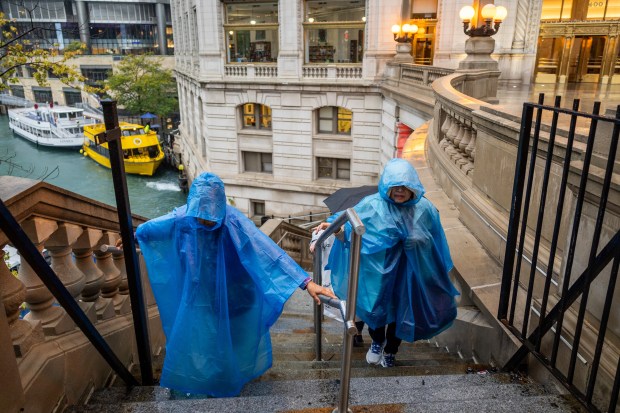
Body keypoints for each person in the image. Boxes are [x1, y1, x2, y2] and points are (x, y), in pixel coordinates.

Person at [136, 172, 335, 397]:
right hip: (207, 296)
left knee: (237, 339)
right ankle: (217, 377)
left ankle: (233, 376)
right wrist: (134, 235)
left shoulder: (234, 222)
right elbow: (154, 228)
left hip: (239, 295)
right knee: (211, 338)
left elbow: (269, 253)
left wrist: (306, 282)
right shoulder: (184, 218)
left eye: (210, 218)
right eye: (201, 217)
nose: (205, 222)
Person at [313, 158, 458, 368]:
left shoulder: (425, 209)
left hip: (410, 273)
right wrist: (334, 225)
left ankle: (391, 350)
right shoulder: (373, 205)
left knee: (402, 312)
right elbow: (351, 220)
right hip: (379, 272)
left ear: (413, 188)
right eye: (395, 185)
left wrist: (418, 245)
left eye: (405, 186)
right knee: (376, 309)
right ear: (387, 186)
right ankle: (378, 341)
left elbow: (435, 240)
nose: (400, 190)